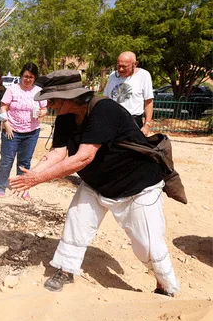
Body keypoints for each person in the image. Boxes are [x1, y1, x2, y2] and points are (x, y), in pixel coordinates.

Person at [10, 69, 179, 296]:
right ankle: (65, 269)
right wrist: (30, 176)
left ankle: (165, 286)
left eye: (53, 99)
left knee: (147, 244)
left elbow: (83, 157)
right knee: (76, 222)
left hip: (137, 186)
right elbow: (58, 153)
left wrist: (37, 179)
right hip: (97, 182)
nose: (49, 105)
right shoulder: (65, 118)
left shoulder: (104, 111)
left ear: (70, 97)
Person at [0, 62, 47, 199]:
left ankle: (22, 187)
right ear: (21, 75)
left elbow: (45, 109)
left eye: (31, 77)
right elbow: (3, 107)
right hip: (12, 130)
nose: (27, 79)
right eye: (25, 76)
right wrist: (6, 124)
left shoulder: (39, 91)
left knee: (25, 162)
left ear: (35, 78)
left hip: (31, 132)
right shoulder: (12, 90)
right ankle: (0, 185)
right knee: (7, 160)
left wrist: (41, 113)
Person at [103, 51, 154, 136]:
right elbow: (106, 98)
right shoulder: (112, 76)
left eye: (124, 66)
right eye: (119, 66)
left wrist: (147, 125)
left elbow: (148, 101)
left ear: (135, 64)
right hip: (112, 121)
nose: (121, 69)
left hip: (133, 122)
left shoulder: (143, 75)